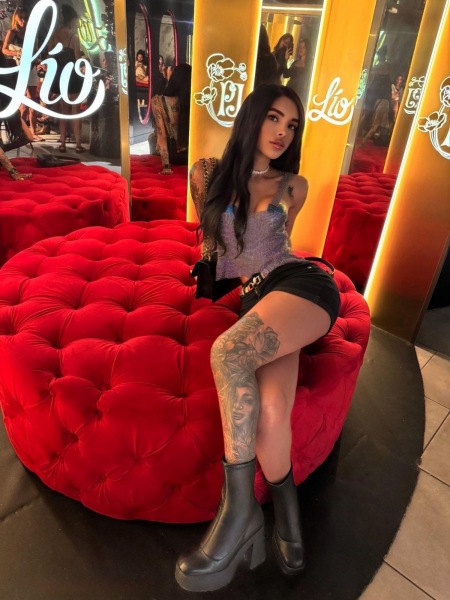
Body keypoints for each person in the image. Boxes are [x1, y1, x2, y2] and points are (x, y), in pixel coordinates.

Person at [175, 84, 340, 592]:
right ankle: (288, 521)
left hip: (302, 286)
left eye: (291, 125)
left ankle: (239, 515)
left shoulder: (294, 186)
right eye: (273, 117)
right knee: (270, 413)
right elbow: (217, 251)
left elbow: (275, 251)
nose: (282, 132)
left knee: (228, 352)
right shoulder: (205, 173)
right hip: (258, 302)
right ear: (252, 118)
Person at [47, 4, 85, 153]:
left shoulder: (55, 35)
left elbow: (50, 55)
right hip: (73, 75)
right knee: (75, 111)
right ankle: (78, 144)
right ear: (72, 19)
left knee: (63, 111)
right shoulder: (74, 37)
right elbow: (77, 59)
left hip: (60, 75)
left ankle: (62, 143)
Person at [2, 6, 43, 141]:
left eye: (26, 18)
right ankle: (21, 131)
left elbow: (35, 52)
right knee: (21, 102)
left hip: (31, 68)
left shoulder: (31, 33)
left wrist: (38, 64)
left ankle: (33, 131)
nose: (23, 21)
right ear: (16, 18)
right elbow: (4, 49)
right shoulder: (12, 32)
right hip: (19, 69)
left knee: (32, 100)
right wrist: (17, 52)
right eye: (21, 18)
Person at [149, 63, 192, 174]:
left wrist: (166, 167)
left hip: (174, 156)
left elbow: (161, 137)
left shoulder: (158, 102)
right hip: (193, 156)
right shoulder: (194, 101)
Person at [283, 38, 312, 106]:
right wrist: (286, 59)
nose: (301, 49)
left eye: (303, 47)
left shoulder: (310, 65)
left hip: (301, 93)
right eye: (300, 47)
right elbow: (286, 75)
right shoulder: (295, 62)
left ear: (307, 49)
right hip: (290, 90)